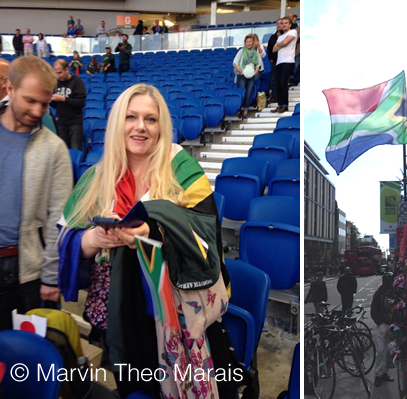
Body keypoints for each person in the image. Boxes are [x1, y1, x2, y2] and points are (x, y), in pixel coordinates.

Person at [56, 84, 239, 397]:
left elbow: (207, 239)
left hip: (180, 313)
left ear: (161, 126)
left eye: (150, 119)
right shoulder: (97, 176)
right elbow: (67, 240)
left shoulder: (181, 167)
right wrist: (96, 237)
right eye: (131, 117)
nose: (140, 126)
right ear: (117, 123)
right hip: (120, 314)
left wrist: (153, 231)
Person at [0, 56, 73, 331]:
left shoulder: (55, 149)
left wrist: (51, 277)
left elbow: (59, 217)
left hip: (32, 269)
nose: (38, 110)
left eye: (44, 103)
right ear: (10, 89)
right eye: (30, 100)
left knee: (38, 355)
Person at [50, 60, 86, 150]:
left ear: (67, 69)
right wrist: (50, 100)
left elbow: (81, 103)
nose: (58, 76)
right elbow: (55, 105)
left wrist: (63, 99)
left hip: (75, 123)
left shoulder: (77, 82)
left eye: (60, 73)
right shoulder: (56, 83)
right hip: (61, 123)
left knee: (75, 150)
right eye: (56, 73)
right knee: (61, 152)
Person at [370, 273, 395, 387]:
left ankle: (384, 373)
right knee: (380, 351)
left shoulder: (392, 292)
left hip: (391, 325)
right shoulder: (378, 294)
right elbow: (373, 311)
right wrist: (379, 323)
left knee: (388, 350)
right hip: (382, 325)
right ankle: (378, 375)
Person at [233, 34, 263, 118]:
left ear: (253, 42)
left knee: (248, 94)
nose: (249, 43)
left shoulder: (254, 53)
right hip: (242, 75)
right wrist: (240, 71)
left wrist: (255, 72)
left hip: (251, 76)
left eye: (250, 42)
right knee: (242, 93)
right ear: (245, 43)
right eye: (247, 42)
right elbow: (235, 62)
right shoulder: (241, 51)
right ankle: (239, 110)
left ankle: (245, 112)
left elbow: (258, 64)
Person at [271, 17, 296, 113]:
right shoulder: (280, 36)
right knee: (278, 84)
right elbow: (274, 49)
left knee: (283, 82)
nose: (284, 25)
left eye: (286, 23)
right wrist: (282, 44)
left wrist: (280, 44)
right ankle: (280, 104)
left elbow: (285, 43)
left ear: (290, 24)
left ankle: (285, 105)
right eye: (282, 23)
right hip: (279, 62)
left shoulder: (292, 32)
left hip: (288, 61)